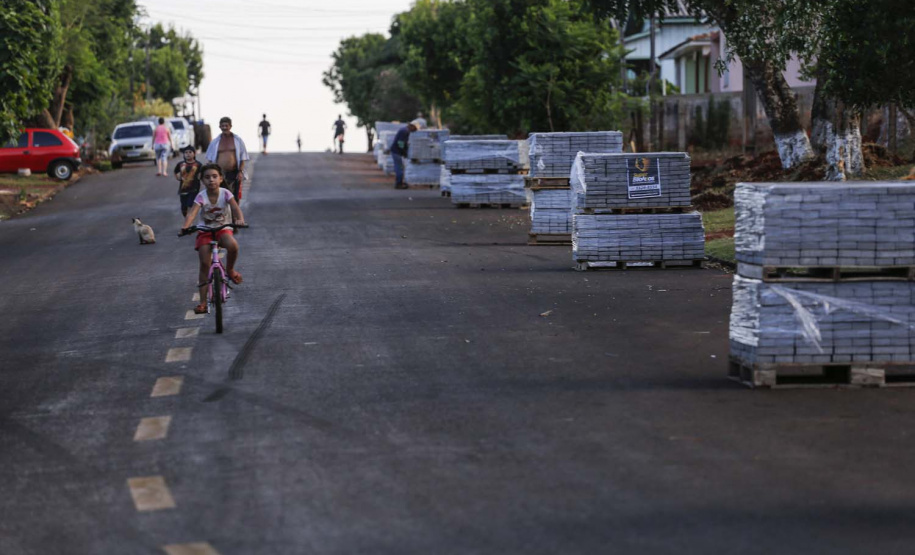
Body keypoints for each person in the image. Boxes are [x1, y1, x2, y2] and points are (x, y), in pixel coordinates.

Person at [181, 164, 246, 314]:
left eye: (215, 176)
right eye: (207, 177)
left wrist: (240, 219)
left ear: (221, 178)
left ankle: (230, 270)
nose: (211, 180)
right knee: (204, 264)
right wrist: (186, 227)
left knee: (233, 246)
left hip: (223, 229)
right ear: (202, 180)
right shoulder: (201, 196)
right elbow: (192, 213)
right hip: (205, 231)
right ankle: (203, 303)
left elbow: (235, 208)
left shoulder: (226, 193)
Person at [205, 116, 249, 202]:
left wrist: (240, 171)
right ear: (220, 127)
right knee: (220, 197)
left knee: (234, 197)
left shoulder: (238, 140)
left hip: (233, 173)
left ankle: (234, 211)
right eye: (222, 126)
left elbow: (242, 157)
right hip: (219, 173)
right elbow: (210, 159)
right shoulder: (215, 142)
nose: (224, 128)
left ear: (230, 126)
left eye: (226, 125)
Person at [174, 145, 202, 217]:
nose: (188, 154)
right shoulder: (180, 164)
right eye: (186, 152)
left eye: (190, 152)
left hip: (194, 189)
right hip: (183, 189)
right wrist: (178, 177)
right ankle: (187, 218)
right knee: (184, 207)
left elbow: (202, 173)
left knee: (190, 204)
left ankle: (189, 221)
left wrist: (200, 177)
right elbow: (176, 171)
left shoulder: (198, 164)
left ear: (194, 154)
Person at [389, 122, 416, 189]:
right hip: (397, 151)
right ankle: (399, 183)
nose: (414, 130)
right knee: (399, 167)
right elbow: (400, 143)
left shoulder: (404, 130)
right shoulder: (404, 131)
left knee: (399, 167)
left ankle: (399, 182)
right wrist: (403, 152)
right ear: (411, 126)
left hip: (396, 151)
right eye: (414, 128)